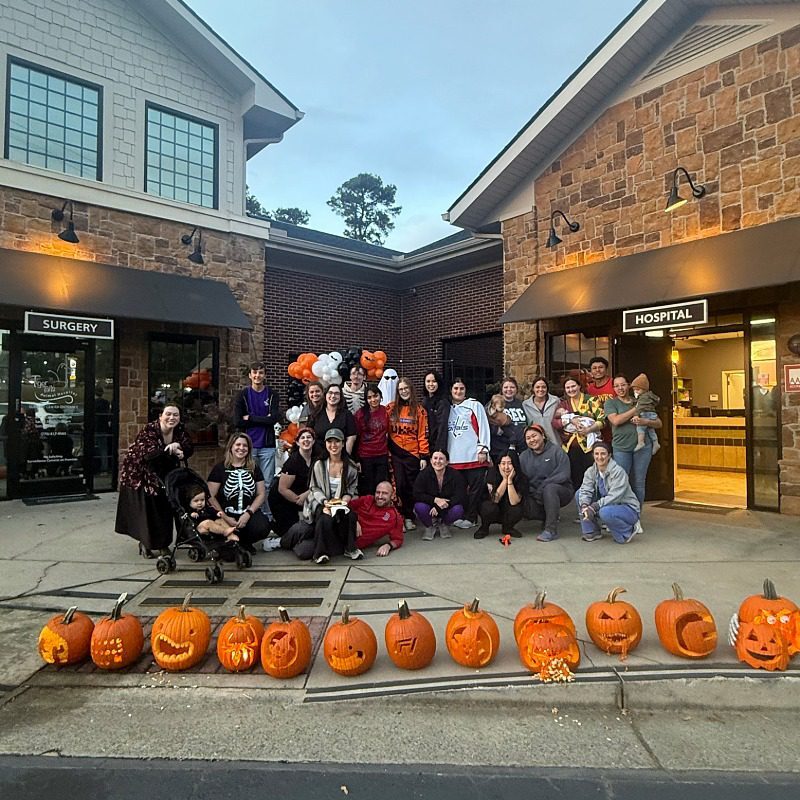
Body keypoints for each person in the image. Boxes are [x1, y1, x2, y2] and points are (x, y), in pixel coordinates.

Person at [115, 405, 194, 558]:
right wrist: (169, 450)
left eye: (175, 415)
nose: (172, 418)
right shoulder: (149, 430)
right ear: (160, 416)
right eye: (168, 414)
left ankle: (162, 543)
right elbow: (150, 454)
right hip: (140, 475)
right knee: (148, 511)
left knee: (165, 508)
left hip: (164, 474)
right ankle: (147, 543)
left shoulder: (179, 430)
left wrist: (177, 445)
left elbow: (189, 447)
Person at [604, 375, 662, 508]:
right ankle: (617, 516)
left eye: (623, 385)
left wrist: (645, 421)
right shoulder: (611, 403)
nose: (620, 388)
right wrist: (636, 409)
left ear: (628, 385)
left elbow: (659, 423)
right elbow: (616, 421)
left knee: (639, 483)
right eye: (616, 386)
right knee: (620, 481)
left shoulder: (640, 399)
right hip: (621, 448)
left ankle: (635, 516)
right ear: (613, 388)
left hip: (643, 447)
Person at [206, 433, 270, 553]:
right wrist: (224, 517)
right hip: (225, 514)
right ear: (231, 447)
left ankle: (244, 543)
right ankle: (231, 543)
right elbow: (210, 496)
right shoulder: (219, 468)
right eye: (238, 444)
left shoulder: (254, 468)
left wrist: (249, 513)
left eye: (245, 445)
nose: (241, 448)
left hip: (247, 512)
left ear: (249, 449)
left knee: (262, 526)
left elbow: (261, 494)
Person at [306, 428, 361, 564]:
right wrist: (326, 503)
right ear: (325, 444)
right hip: (320, 501)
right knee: (324, 518)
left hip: (340, 502)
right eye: (330, 442)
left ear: (343, 444)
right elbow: (314, 488)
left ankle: (350, 549)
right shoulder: (319, 465)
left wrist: (342, 502)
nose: (333, 445)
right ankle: (320, 554)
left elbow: (351, 490)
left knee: (350, 516)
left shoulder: (351, 467)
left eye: (337, 442)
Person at [233, 362, 279, 518]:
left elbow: (274, 419)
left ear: (264, 375)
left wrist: (251, 418)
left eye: (261, 373)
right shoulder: (243, 395)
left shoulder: (272, 394)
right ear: (250, 375)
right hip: (247, 447)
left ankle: (266, 515)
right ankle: (250, 514)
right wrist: (263, 419)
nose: (257, 376)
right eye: (255, 373)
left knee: (266, 483)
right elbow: (237, 421)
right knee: (249, 484)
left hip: (267, 446)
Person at [577, 441, 642, 544]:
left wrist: (594, 507)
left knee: (606, 514)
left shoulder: (618, 472)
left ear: (609, 455)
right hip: (607, 506)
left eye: (603, 453)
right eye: (596, 454)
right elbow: (585, 489)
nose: (600, 457)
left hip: (628, 508)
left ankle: (628, 530)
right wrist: (585, 505)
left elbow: (615, 496)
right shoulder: (591, 471)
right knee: (579, 494)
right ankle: (592, 531)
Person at [447, 378, 491, 529]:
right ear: (451, 391)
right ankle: (463, 515)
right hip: (454, 459)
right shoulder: (448, 408)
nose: (458, 392)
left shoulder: (474, 405)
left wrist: (483, 449)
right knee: (460, 491)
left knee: (475, 491)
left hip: (473, 456)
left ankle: (472, 518)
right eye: (455, 389)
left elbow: (483, 427)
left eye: (461, 389)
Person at [519, 423, 573, 542]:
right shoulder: (523, 457)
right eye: (528, 438)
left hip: (560, 491)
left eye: (534, 436)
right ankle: (547, 517)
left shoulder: (556, 451)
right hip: (536, 495)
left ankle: (551, 530)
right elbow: (521, 479)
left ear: (543, 435)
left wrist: (542, 488)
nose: (532, 440)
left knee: (550, 489)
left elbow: (563, 474)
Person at [387, 377, 429, 532]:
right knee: (398, 484)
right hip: (396, 453)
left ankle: (410, 517)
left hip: (413, 454)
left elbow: (422, 434)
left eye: (406, 388)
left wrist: (424, 456)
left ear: (411, 389)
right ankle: (400, 517)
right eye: (401, 389)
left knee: (412, 486)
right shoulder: (390, 409)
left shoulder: (420, 410)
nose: (403, 391)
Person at [552, 376, 606, 492]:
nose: (571, 389)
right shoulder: (564, 404)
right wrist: (570, 420)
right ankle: (580, 506)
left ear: (579, 386)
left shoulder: (592, 400)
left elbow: (603, 420)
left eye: (573, 386)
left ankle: (594, 506)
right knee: (576, 479)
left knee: (592, 478)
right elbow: (555, 423)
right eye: (568, 387)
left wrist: (589, 430)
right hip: (570, 447)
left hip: (589, 446)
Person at [268, 427, 315, 536]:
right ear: (298, 442)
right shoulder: (293, 461)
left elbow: (319, 481)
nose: (306, 440)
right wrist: (299, 500)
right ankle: (272, 529)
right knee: (290, 531)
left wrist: (306, 495)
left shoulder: (317, 458)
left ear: (314, 441)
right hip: (282, 498)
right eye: (302, 438)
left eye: (309, 437)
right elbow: (282, 489)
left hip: (302, 493)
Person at [413, 449, 467, 540]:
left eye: (441, 459)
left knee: (458, 509)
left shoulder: (455, 475)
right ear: (430, 461)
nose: (437, 461)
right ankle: (429, 526)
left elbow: (460, 495)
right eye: (435, 458)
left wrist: (441, 506)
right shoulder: (424, 474)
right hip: (430, 507)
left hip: (447, 506)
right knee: (419, 506)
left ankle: (444, 524)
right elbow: (416, 494)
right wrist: (435, 500)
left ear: (447, 462)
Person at [475, 449, 525, 540]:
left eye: (509, 463)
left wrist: (509, 481)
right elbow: (495, 499)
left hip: (508, 510)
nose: (506, 467)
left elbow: (514, 502)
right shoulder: (492, 474)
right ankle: (484, 528)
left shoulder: (521, 477)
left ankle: (508, 528)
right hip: (493, 509)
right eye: (503, 463)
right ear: (498, 465)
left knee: (517, 509)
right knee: (489, 507)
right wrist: (504, 480)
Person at [349, 480, 404, 556]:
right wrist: (354, 519)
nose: (380, 496)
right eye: (378, 492)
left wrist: (388, 546)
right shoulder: (367, 499)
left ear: (392, 495)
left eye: (384, 493)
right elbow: (346, 506)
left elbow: (398, 539)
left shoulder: (395, 517)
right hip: (342, 529)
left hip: (351, 544)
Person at [354, 384, 390, 495]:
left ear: (380, 396)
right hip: (366, 455)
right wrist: (356, 459)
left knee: (380, 486)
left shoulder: (386, 411)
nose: (373, 400)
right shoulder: (360, 414)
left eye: (375, 396)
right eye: (369, 398)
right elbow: (356, 437)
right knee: (368, 487)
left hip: (382, 454)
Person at [485, 377, 527, 461]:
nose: (509, 389)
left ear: (516, 389)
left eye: (512, 387)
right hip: (499, 449)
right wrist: (496, 430)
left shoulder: (521, 404)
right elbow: (486, 423)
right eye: (506, 387)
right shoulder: (494, 404)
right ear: (501, 389)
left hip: (520, 448)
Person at [310, 384, 357, 457]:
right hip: (318, 456)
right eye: (330, 393)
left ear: (340, 397)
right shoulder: (316, 414)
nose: (333, 396)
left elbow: (351, 437)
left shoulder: (347, 414)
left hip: (340, 457)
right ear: (325, 395)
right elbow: (309, 433)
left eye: (336, 393)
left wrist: (346, 457)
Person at [522, 376, 560, 445]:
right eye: (537, 387)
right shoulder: (525, 405)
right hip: (536, 444)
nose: (541, 389)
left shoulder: (556, 401)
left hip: (555, 443)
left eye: (543, 387)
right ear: (533, 389)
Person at [630, 373, 661, 454]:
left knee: (640, 428)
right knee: (651, 429)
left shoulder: (643, 398)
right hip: (652, 414)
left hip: (645, 414)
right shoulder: (650, 396)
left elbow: (639, 407)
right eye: (634, 390)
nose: (636, 392)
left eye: (637, 390)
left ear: (644, 389)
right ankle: (655, 442)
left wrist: (636, 415)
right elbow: (657, 400)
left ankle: (641, 442)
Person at [422, 370, 451, 454]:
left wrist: (439, 450)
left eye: (434, 381)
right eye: (428, 381)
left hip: (436, 447)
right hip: (425, 445)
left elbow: (442, 427)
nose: (431, 384)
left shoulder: (443, 402)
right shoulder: (425, 401)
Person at [586, 357, 615, 444]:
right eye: (594, 368)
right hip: (597, 433)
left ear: (606, 369)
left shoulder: (614, 383)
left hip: (616, 431)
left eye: (601, 367)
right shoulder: (589, 389)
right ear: (591, 371)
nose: (597, 370)